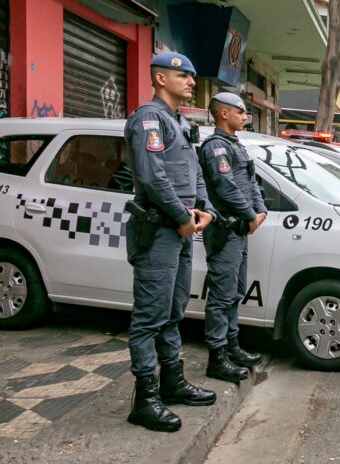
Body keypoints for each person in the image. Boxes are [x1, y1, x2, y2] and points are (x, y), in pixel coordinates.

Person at [124, 51, 217, 433]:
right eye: (184, 76)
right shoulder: (148, 118)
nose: (192, 82)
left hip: (181, 231)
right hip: (160, 231)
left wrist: (204, 210)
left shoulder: (178, 123)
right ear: (161, 78)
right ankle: (145, 400)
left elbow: (193, 173)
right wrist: (182, 217)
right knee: (150, 317)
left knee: (174, 310)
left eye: (193, 76)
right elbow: (152, 177)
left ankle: (171, 382)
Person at [198, 92, 268, 383]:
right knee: (221, 295)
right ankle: (217, 357)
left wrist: (260, 211)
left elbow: (251, 181)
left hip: (240, 230)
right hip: (225, 230)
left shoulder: (236, 145)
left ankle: (232, 347)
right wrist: (251, 215)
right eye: (240, 111)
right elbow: (225, 187)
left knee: (236, 291)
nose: (245, 116)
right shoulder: (215, 147)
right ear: (224, 113)